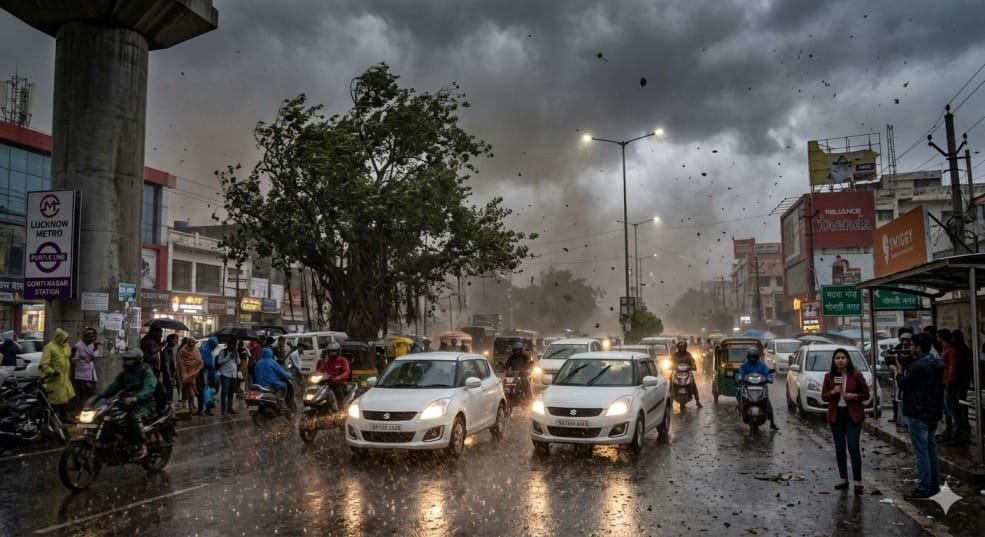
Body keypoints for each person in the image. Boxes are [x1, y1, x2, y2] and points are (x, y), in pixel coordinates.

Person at [895, 333, 945, 499]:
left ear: (918, 347)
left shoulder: (919, 366)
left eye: (912, 345)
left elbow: (905, 384)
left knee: (921, 452)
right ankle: (933, 485)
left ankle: (923, 487)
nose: (910, 348)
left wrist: (899, 372)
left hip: (918, 412)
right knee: (930, 449)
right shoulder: (935, 363)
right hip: (932, 412)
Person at [821, 348, 870, 495]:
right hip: (836, 416)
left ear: (848, 360)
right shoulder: (829, 376)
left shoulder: (856, 375)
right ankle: (843, 479)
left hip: (852, 415)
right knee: (840, 447)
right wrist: (833, 392)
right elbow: (824, 396)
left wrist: (854, 396)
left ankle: (857, 482)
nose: (840, 360)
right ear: (834, 361)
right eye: (837, 358)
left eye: (843, 357)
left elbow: (866, 394)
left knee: (853, 446)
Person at [99, 349, 157, 459]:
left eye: (129, 360)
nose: (126, 362)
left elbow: (150, 387)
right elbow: (113, 387)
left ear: (137, 360)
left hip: (144, 404)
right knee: (108, 416)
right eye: (125, 359)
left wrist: (136, 397)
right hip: (126, 403)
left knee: (133, 418)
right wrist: (100, 397)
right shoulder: (124, 374)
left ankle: (142, 445)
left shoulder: (146, 372)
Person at [735, 347, 778, 430]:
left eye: (754, 357)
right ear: (748, 357)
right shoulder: (744, 365)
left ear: (757, 357)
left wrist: (769, 378)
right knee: (739, 392)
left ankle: (772, 423)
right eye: (751, 357)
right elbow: (740, 372)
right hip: (747, 386)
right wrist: (739, 377)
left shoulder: (762, 365)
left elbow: (767, 373)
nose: (753, 358)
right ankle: (740, 409)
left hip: (760, 387)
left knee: (768, 403)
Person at [39, 328, 75, 422]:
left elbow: (68, 355)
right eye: (64, 339)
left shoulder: (65, 346)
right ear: (59, 337)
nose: (66, 341)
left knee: (64, 399)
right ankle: (51, 420)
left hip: (64, 378)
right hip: (54, 379)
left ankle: (64, 417)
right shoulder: (49, 347)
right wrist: (51, 372)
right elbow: (44, 363)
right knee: (54, 401)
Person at [947, 330, 973, 446]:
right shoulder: (958, 350)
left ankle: (963, 434)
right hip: (958, 384)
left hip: (961, 384)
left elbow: (965, 369)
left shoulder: (964, 352)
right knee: (957, 410)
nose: (952, 340)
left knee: (961, 411)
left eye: (954, 338)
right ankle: (959, 433)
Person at [72, 327, 100, 406]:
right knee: (84, 395)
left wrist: (95, 348)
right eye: (89, 337)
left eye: (93, 337)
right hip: (81, 375)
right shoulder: (78, 346)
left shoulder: (91, 345)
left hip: (90, 373)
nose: (91, 339)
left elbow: (94, 356)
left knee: (92, 394)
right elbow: (74, 359)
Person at [671, 340, 703, 408]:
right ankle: (670, 402)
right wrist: (671, 366)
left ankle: (697, 401)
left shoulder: (688, 354)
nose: (681, 349)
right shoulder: (675, 355)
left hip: (687, 372)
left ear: (685, 347)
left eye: (683, 347)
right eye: (680, 347)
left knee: (693, 384)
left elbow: (692, 362)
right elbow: (671, 362)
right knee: (671, 383)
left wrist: (693, 366)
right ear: (678, 347)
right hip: (677, 372)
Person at [176, 337, 203, 414]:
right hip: (185, 372)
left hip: (193, 373)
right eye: (190, 342)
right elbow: (179, 362)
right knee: (185, 389)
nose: (192, 344)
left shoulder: (196, 350)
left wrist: (196, 365)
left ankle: (191, 406)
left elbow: (200, 360)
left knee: (191, 392)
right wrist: (183, 370)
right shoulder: (183, 350)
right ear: (187, 343)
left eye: (193, 342)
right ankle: (184, 405)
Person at [216, 338, 241, 415]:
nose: (234, 346)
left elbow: (238, 362)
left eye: (235, 345)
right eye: (233, 344)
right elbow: (219, 362)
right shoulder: (223, 351)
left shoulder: (236, 352)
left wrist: (236, 355)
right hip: (225, 375)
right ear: (229, 344)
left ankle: (230, 408)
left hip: (233, 375)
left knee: (231, 393)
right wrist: (228, 357)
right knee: (224, 393)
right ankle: (223, 410)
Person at [323, 342, 351, 409]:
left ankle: (340, 410)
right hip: (328, 383)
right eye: (330, 351)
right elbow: (320, 370)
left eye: (334, 351)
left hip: (339, 384)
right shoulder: (327, 362)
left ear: (338, 351)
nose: (332, 353)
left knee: (339, 396)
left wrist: (339, 377)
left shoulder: (343, 360)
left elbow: (347, 371)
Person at [198, 336, 220, 416]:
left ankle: (208, 409)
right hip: (205, 373)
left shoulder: (210, 350)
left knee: (210, 392)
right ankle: (201, 410)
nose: (215, 347)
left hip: (211, 373)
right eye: (214, 345)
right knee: (203, 392)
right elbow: (207, 363)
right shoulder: (205, 349)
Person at [160, 333, 179, 403]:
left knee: (170, 390)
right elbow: (166, 365)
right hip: (168, 374)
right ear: (170, 340)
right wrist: (170, 376)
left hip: (171, 373)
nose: (176, 341)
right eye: (175, 340)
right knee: (167, 390)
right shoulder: (166, 351)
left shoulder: (171, 350)